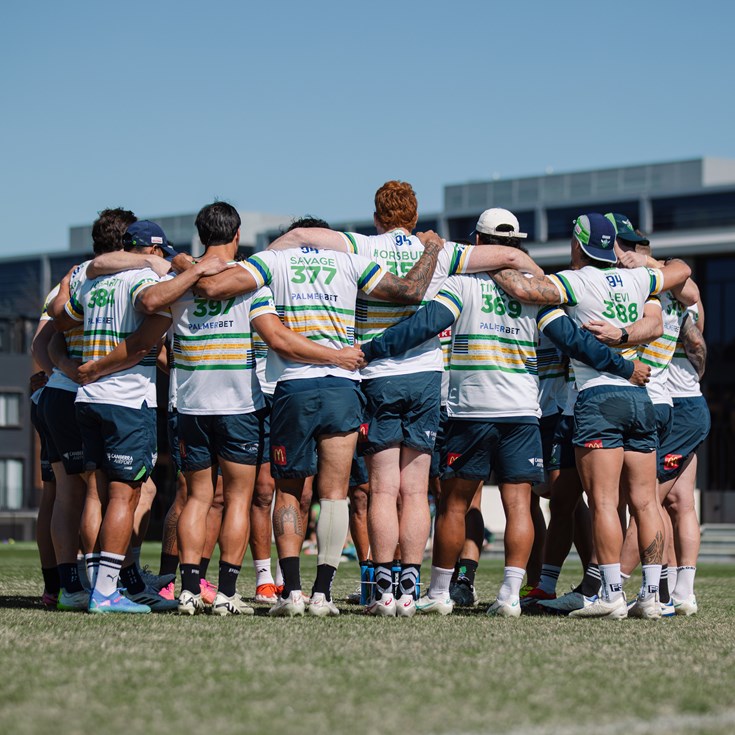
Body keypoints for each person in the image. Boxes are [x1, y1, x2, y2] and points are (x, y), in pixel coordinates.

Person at [265, 190, 545, 617]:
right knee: (416, 492)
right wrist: (533, 282)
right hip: (426, 376)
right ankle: (410, 591)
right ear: (415, 217)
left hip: (376, 376)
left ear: (378, 216)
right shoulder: (443, 250)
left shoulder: (361, 245)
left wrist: (269, 255)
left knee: (382, 490)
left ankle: (382, 590)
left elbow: (302, 234)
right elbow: (510, 259)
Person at [359, 208, 650, 616]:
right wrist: (625, 367)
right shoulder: (535, 291)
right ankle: (511, 595)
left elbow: (420, 327)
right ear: (516, 245)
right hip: (522, 412)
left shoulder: (462, 284)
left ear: (477, 243)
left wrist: (369, 350)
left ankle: (440, 592)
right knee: (519, 505)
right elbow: (576, 342)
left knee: (455, 505)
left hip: (471, 410)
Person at [193, 221, 446, 617]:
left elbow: (216, 286)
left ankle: (291, 593)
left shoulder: (273, 261)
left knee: (289, 493)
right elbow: (407, 290)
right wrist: (430, 248)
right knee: (334, 495)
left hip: (293, 389)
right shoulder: (349, 261)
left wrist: (183, 263)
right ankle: (322, 595)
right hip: (343, 387)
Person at [491, 213, 691, 619]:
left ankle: (611, 592)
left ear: (577, 246)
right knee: (645, 501)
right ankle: (653, 595)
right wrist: (648, 265)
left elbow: (521, 288)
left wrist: (493, 261)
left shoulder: (572, 280)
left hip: (597, 396)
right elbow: (682, 269)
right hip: (639, 396)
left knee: (601, 502)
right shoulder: (637, 280)